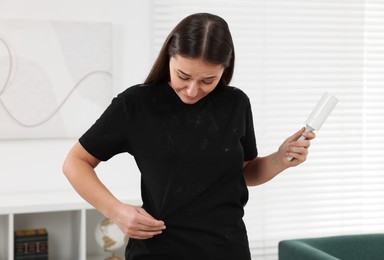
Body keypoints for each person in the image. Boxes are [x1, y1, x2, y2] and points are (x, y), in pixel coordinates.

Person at [63, 13, 315, 260]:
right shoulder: (136, 104)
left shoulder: (235, 103)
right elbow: (75, 162)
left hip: (228, 249)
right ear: (169, 57)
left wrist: (281, 159)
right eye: (183, 76)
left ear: (224, 69)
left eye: (208, 80)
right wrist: (116, 211)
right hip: (158, 249)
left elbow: (245, 172)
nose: (193, 90)